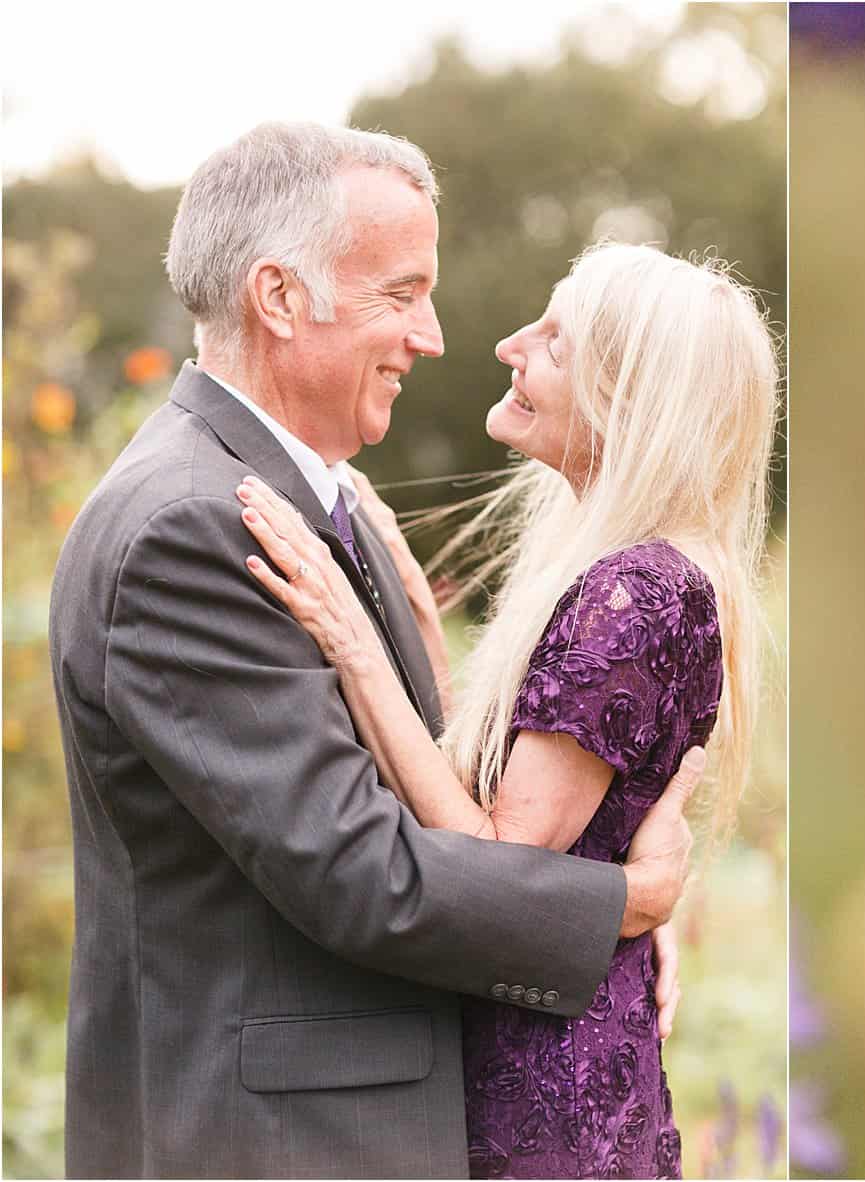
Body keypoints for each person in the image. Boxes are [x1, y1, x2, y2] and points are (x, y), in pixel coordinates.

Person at [47, 123, 700, 1179]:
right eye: (401, 295)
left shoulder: (305, 501)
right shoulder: (195, 527)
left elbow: (414, 782)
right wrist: (615, 907)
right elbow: (362, 873)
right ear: (280, 298)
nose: (433, 336)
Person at [234, 239, 778, 1178]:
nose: (511, 346)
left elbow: (497, 866)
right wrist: (417, 627)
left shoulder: (636, 592)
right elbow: (537, 799)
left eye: (556, 342)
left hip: (543, 1087)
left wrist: (353, 644)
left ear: (627, 401)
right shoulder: (640, 572)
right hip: (555, 1040)